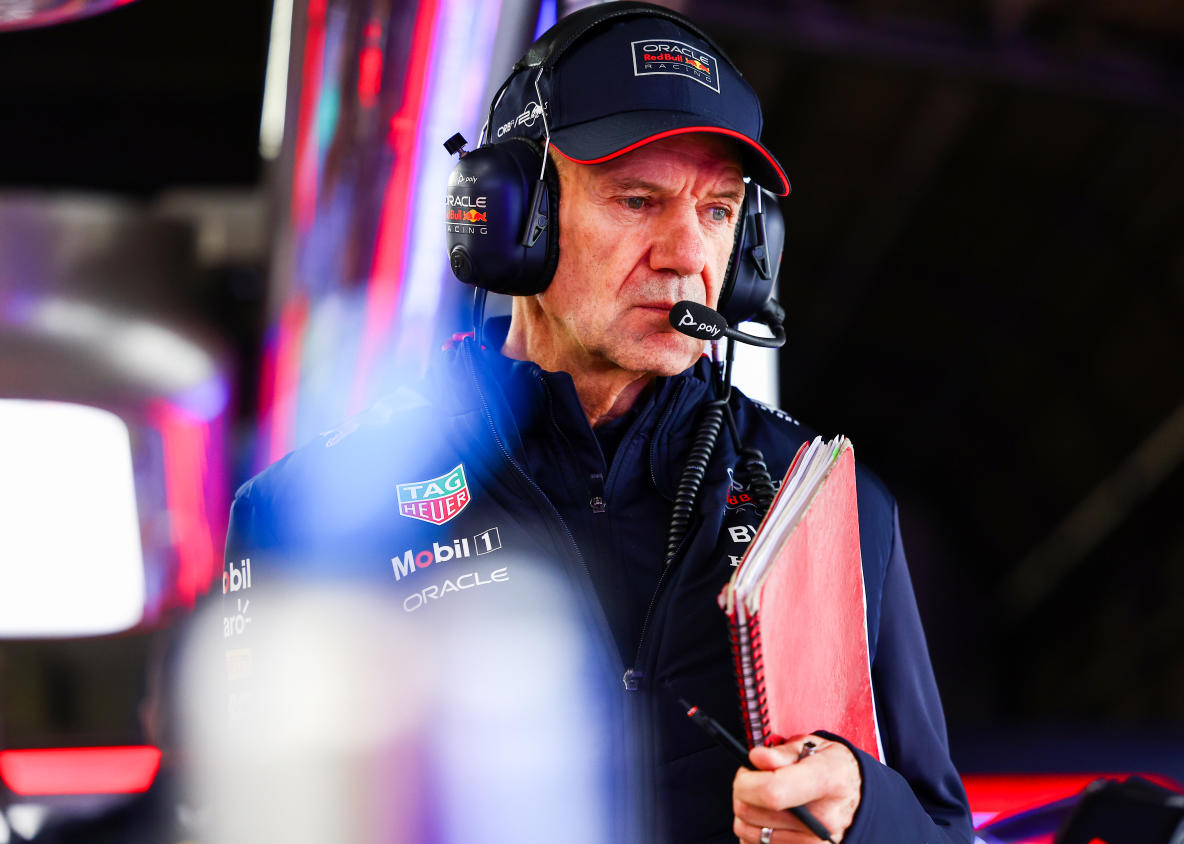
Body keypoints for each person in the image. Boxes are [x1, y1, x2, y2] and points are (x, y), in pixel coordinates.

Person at [224, 3, 973, 842]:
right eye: (638, 200)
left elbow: (944, 829)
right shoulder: (309, 512)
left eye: (719, 211)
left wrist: (864, 814)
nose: (687, 252)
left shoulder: (830, 506)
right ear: (511, 220)